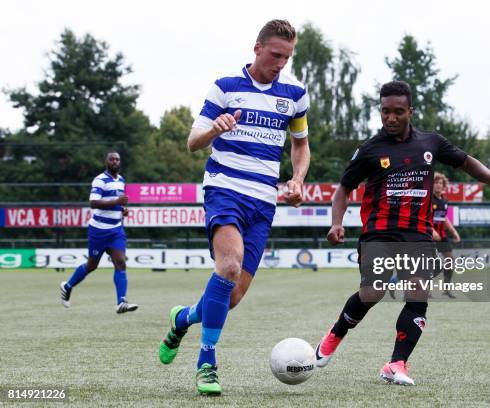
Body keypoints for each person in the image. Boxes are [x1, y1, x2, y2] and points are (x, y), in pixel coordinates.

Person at [315, 80, 490, 385]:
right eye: (385, 111)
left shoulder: (431, 143)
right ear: (380, 110)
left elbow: (466, 162)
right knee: (372, 292)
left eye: (398, 111)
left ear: (410, 110)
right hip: (379, 233)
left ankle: (397, 363)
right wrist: (336, 222)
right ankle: (336, 333)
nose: (391, 118)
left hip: (418, 235)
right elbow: (344, 189)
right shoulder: (370, 149)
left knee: (417, 293)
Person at [157, 19, 310, 395]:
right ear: (257, 48)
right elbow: (193, 141)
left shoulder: (295, 94)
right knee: (228, 265)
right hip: (224, 189)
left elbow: (301, 144)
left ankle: (183, 318)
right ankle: (206, 362)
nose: (280, 63)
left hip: (263, 200)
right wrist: (214, 129)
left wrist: (297, 179)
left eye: (286, 57)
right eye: (275, 54)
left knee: (233, 295)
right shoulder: (225, 87)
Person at [59, 151, 138, 314]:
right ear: (106, 162)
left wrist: (122, 209)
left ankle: (121, 302)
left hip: (116, 229)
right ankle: (67, 286)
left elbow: (116, 202)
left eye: (117, 159)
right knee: (92, 265)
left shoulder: (121, 180)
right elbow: (93, 202)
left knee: (121, 262)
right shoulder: (100, 180)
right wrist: (117, 201)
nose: (115, 161)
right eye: (112, 159)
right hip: (98, 231)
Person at [432, 172, 461, 298]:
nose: (438, 185)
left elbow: (443, 218)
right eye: (435, 183)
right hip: (427, 234)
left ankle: (446, 289)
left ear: (443, 186)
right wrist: (432, 231)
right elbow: (423, 218)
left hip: (441, 235)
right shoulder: (427, 199)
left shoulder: (444, 199)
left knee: (450, 260)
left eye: (440, 183)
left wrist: (454, 232)